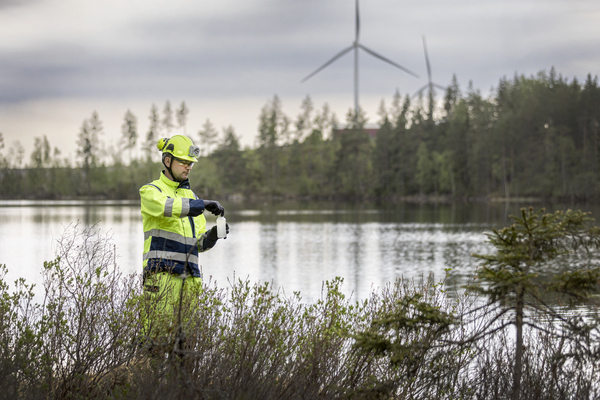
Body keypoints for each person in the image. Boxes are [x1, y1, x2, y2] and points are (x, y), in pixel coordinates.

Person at [139, 134, 227, 339]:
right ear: (167, 161)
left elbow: (198, 244)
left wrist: (213, 236)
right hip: (161, 278)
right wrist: (202, 205)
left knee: (186, 350)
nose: (188, 167)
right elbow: (166, 207)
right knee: (155, 343)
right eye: (184, 163)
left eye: (190, 164)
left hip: (190, 280)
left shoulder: (193, 198)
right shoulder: (151, 191)